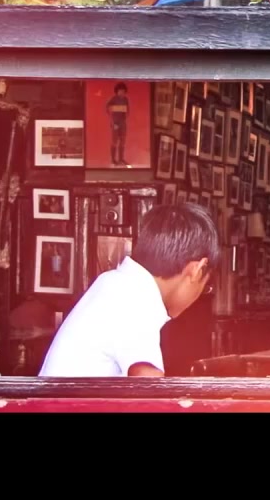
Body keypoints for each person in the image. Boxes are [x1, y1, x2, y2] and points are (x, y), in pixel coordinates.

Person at [39, 202, 218, 377]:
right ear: (197, 270)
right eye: (206, 287)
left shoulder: (117, 284)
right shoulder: (134, 297)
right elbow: (146, 378)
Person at [106, 82, 130, 166]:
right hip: (115, 122)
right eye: (120, 91)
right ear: (117, 91)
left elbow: (128, 110)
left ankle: (121, 159)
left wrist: (126, 116)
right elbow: (107, 108)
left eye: (123, 91)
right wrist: (112, 120)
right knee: (114, 141)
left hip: (123, 122)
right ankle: (113, 160)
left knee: (122, 141)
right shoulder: (113, 99)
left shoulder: (126, 99)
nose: (122, 92)